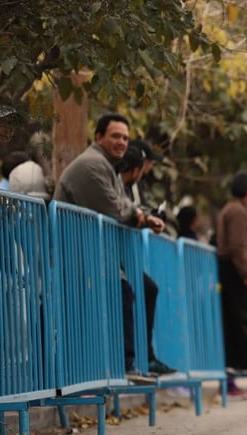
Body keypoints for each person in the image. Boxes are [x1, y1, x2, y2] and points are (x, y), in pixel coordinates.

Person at [54, 112, 175, 380]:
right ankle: (125, 365)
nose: (121, 142)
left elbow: (122, 205)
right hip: (76, 254)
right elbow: (113, 207)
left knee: (141, 289)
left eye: (125, 137)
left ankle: (136, 362)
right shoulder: (92, 165)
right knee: (124, 293)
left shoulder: (107, 165)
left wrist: (140, 216)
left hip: (95, 253)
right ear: (98, 137)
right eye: (115, 136)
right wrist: (142, 217)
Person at [216, 171, 247, 398]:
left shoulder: (236, 209)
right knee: (236, 321)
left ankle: (239, 369)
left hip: (233, 270)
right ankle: (242, 365)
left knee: (237, 320)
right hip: (232, 271)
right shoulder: (237, 211)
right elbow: (237, 247)